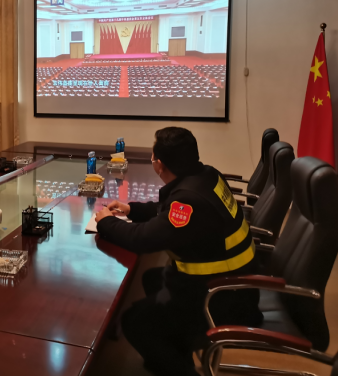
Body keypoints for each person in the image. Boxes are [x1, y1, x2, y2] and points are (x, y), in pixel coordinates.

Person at [94, 127, 262, 376]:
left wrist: (106, 222)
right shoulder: (207, 175)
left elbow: (142, 239)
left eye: (153, 157)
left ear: (160, 165)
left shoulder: (188, 200)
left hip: (222, 298)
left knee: (135, 321)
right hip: (237, 283)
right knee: (151, 278)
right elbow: (170, 212)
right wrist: (132, 209)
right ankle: (174, 347)